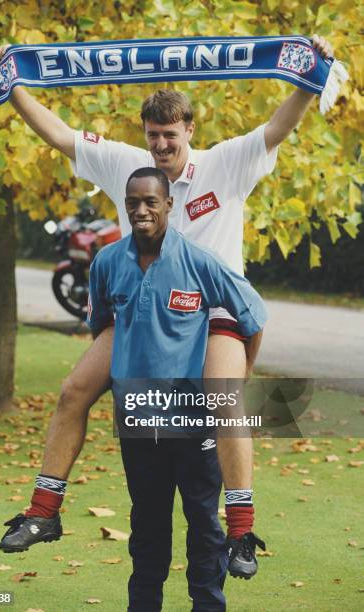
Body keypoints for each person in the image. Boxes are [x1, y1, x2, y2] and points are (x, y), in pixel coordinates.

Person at [0, 35, 334, 574]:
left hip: (212, 312)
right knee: (72, 392)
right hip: (144, 310)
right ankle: (44, 511)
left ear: (189, 131)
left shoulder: (227, 162)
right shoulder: (127, 166)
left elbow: (278, 126)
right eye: (153, 136)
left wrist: (310, 73)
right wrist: (11, 87)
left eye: (170, 136)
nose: (161, 147)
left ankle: (241, 534)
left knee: (224, 403)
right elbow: (60, 134)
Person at [90, 167, 267, 611]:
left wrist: (241, 372)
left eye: (151, 201)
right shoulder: (107, 262)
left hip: (193, 424)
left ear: (169, 205)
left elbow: (254, 317)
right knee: (147, 530)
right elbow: (101, 328)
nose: (141, 209)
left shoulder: (199, 262)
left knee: (204, 526)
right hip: (139, 422)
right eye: (133, 202)